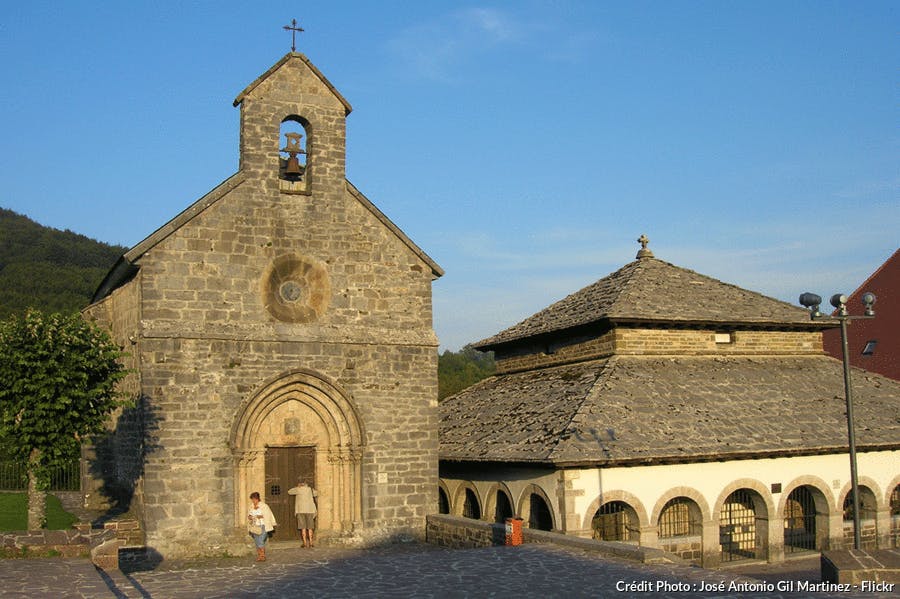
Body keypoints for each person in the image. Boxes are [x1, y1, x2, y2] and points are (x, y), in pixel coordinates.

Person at [287, 477, 318, 548]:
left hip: (301, 510)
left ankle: (304, 543)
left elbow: (289, 491)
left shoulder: (298, 489)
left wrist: (297, 487)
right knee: (310, 527)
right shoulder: (310, 489)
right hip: (310, 510)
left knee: (303, 527)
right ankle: (311, 542)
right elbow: (316, 494)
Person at [248, 491, 277, 562]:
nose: (253, 501)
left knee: (260, 540)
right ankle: (259, 556)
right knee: (257, 541)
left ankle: (262, 556)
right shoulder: (251, 506)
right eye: (252, 499)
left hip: (263, 525)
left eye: (254, 499)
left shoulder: (264, 506)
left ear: (257, 499)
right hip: (255, 526)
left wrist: (259, 516)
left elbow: (267, 515)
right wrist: (250, 517)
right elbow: (249, 514)